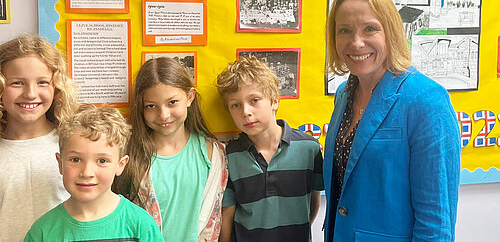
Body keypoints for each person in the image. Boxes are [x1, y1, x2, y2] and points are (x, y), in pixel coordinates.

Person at [323, 0, 461, 241]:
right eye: (344, 30)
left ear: (392, 32)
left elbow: (436, 222)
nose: (356, 42)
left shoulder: (426, 100)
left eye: (370, 29)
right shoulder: (344, 94)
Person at [113, 57, 228, 242]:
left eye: (172, 102)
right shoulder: (130, 158)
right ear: (140, 107)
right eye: (151, 106)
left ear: (189, 98)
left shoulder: (213, 154)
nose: (163, 115)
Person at [216, 56, 324, 242]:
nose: (246, 112)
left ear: (274, 101)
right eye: (235, 105)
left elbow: (313, 202)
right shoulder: (229, 155)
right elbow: (228, 212)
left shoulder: (309, 148)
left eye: (255, 100)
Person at [24, 104, 163, 241]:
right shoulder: (42, 232)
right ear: (60, 164)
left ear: (121, 165)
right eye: (76, 159)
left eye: (102, 161)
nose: (87, 173)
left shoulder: (141, 225)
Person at [0, 35, 77, 241]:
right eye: (17, 83)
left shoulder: (73, 142)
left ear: (56, 87)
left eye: (42, 82)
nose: (31, 94)